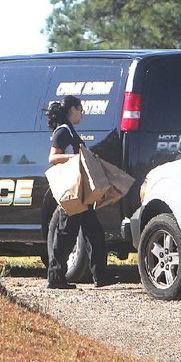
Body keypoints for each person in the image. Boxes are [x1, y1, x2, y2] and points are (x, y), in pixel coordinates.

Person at [46, 95, 109, 289]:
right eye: (80, 109)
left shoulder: (70, 130)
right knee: (66, 234)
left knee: (95, 234)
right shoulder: (63, 131)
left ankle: (101, 277)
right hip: (72, 193)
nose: (82, 114)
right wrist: (76, 157)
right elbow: (53, 157)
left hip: (81, 193)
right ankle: (56, 278)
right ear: (72, 109)